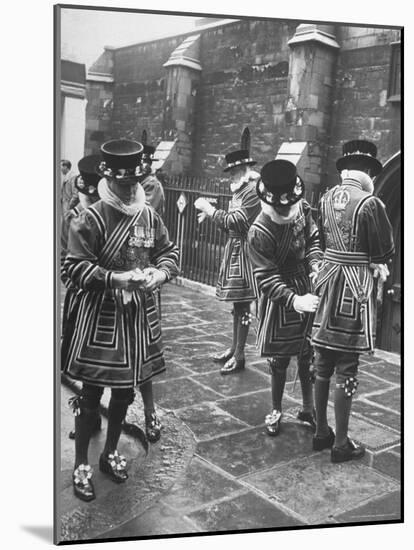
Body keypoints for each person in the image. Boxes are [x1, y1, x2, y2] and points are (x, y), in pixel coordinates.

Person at [61, 139, 179, 502]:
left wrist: (160, 275)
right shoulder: (90, 217)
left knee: (126, 392)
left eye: (133, 184)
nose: (129, 190)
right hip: (101, 319)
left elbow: (168, 252)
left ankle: (110, 452)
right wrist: (115, 279)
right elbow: (73, 268)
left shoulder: (150, 216)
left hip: (136, 320)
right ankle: (82, 462)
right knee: (92, 393)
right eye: (122, 185)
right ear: (108, 181)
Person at [311, 139, 394, 463]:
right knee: (347, 365)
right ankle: (341, 442)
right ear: (369, 173)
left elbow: (323, 236)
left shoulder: (327, 197)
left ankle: (321, 431)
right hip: (353, 288)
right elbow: (384, 251)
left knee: (322, 363)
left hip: (327, 284)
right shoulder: (370, 203)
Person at [248, 160, 323, 436]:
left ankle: (307, 408)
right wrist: (294, 300)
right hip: (279, 295)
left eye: (288, 204)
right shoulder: (259, 231)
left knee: (307, 353)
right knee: (279, 359)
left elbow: (313, 238)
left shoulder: (302, 207)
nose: (285, 209)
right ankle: (276, 408)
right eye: (280, 206)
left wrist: (315, 265)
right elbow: (266, 278)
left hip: (305, 282)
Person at [194, 149, 261, 374]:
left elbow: (240, 222)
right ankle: (234, 348)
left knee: (243, 304)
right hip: (235, 250)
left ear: (244, 170)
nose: (230, 176)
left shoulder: (252, 192)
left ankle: (240, 355)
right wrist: (212, 218)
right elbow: (229, 224)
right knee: (237, 304)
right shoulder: (239, 191)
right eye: (230, 172)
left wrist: (211, 210)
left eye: (233, 172)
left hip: (246, 252)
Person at [60, 154, 103, 440]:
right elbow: (64, 259)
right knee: (82, 361)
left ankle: (94, 415)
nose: (87, 200)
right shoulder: (71, 218)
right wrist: (75, 282)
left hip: (103, 298)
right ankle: (87, 418)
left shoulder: (107, 216)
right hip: (79, 298)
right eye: (83, 195)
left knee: (99, 363)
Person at [138, 144, 166, 217]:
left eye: (146, 162)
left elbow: (144, 212)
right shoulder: (140, 181)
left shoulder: (152, 184)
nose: (143, 166)